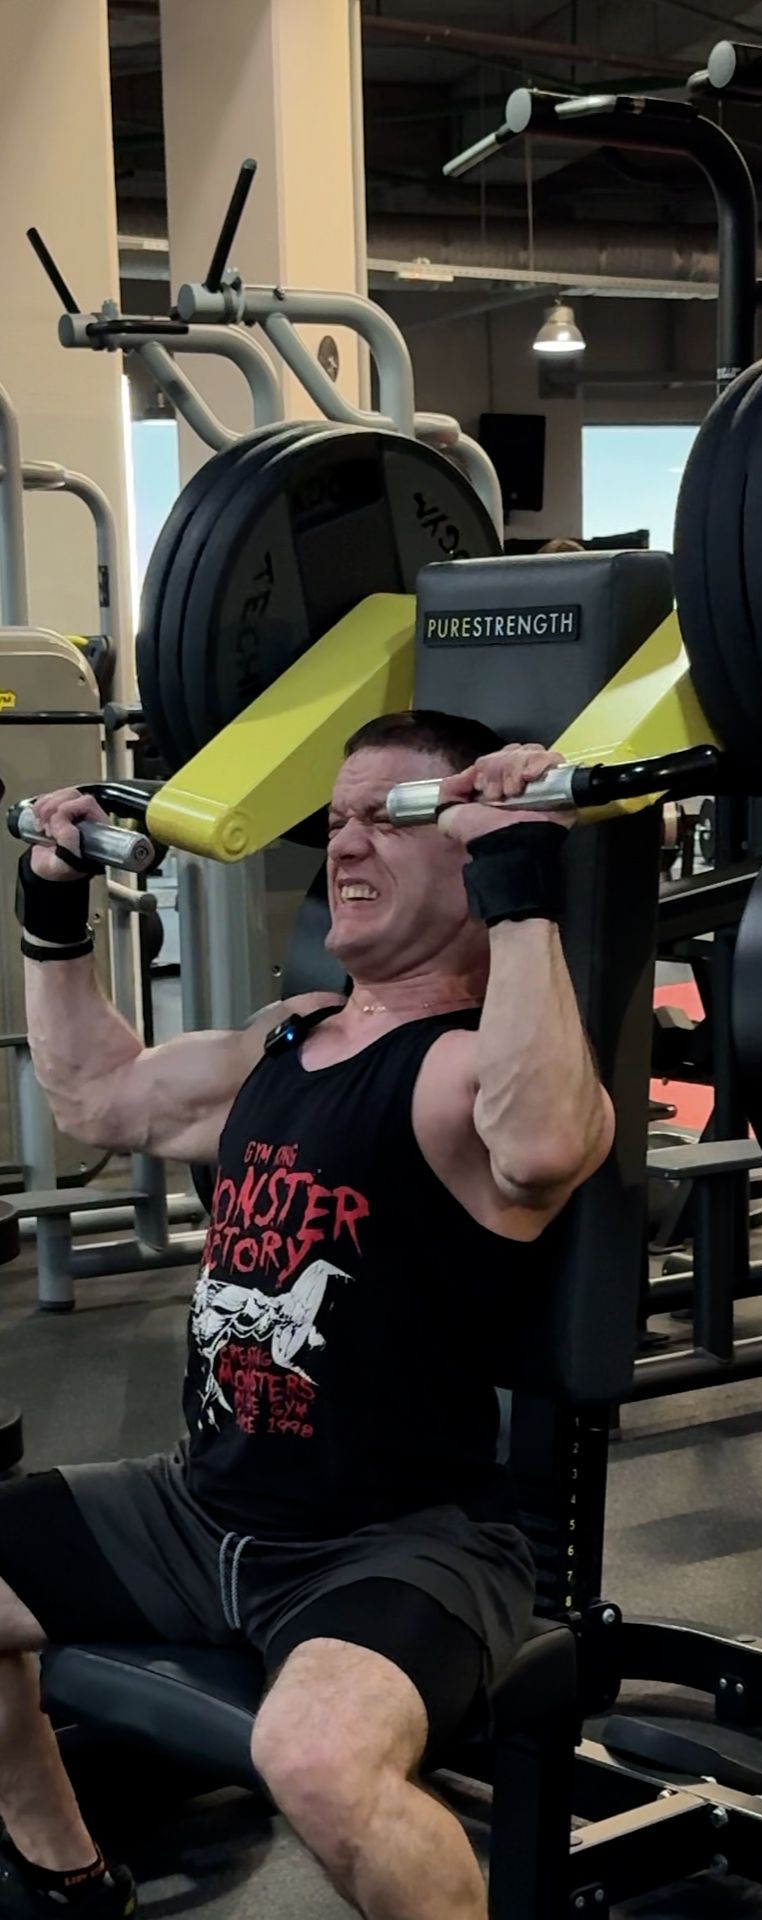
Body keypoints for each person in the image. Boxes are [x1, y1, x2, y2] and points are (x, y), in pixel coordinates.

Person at [0, 711, 614, 1920]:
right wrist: (52, 904)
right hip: (199, 1509)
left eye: (390, 817)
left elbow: (544, 1144)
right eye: (336, 820)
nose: (344, 844)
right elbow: (97, 1098)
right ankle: (70, 1877)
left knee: (318, 1760)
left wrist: (521, 877)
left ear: (467, 848)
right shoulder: (285, 1040)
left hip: (396, 1542)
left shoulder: (462, 1067)